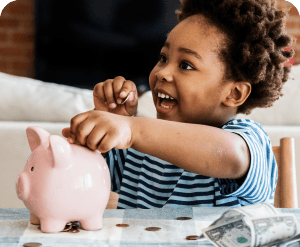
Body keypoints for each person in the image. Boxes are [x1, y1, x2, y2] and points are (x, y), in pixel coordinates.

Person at [62, 0, 295, 209]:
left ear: (234, 93)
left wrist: (133, 130)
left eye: (186, 65)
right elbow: (81, 178)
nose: (163, 73)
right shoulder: (138, 147)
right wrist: (107, 122)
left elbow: (233, 155)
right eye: (163, 58)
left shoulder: (247, 138)